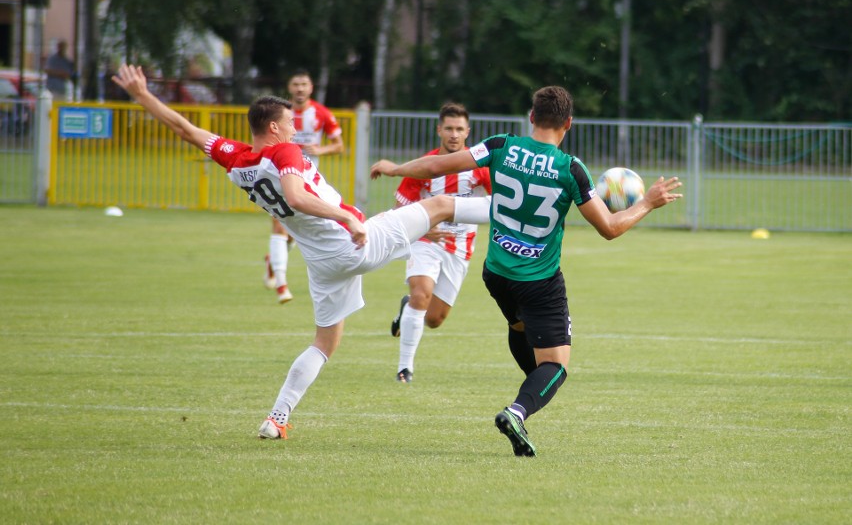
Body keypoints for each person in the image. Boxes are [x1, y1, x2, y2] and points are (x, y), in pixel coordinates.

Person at [110, 64, 491, 441]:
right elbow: (295, 195)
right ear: (274, 128)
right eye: (290, 123)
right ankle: (517, 214)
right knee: (441, 204)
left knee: (324, 343)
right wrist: (348, 216)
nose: (295, 128)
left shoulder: (238, 158)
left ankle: (277, 418)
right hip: (356, 241)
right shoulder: (285, 152)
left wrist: (143, 95)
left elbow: (184, 129)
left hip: (322, 263)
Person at [371, 85, 683, 457]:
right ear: (568, 123)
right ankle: (518, 411)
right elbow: (610, 228)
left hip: (496, 274)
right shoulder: (572, 169)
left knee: (519, 326)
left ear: (531, 117)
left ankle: (531, 388)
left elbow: (437, 165)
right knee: (556, 366)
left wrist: (395, 168)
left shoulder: (501, 145)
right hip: (539, 281)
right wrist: (647, 203)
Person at [388, 102, 492, 383]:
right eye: (449, 128)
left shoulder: (479, 168)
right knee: (422, 293)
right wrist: (422, 231)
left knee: (434, 319)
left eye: (459, 129)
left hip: (461, 247)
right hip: (426, 242)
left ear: (468, 132)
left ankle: (407, 307)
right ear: (439, 130)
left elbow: (499, 202)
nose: (454, 135)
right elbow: (400, 209)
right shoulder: (424, 167)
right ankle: (404, 368)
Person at [264, 69, 345, 304]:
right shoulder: (278, 114)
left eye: (304, 84)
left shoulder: (321, 113)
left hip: (308, 182)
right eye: (296, 84)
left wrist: (321, 150)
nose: (300, 88)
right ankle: (282, 285)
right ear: (290, 88)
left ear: (311, 88)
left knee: (294, 232)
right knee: (279, 227)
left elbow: (339, 145)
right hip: (279, 176)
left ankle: (272, 261)